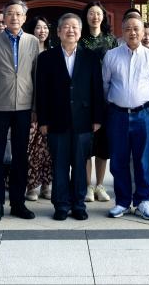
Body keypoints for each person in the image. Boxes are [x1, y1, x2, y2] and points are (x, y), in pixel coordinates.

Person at [35, 13, 106, 221]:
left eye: (75, 27)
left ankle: (78, 204)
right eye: (66, 27)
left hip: (84, 120)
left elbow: (97, 89)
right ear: (58, 32)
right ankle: (61, 205)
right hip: (56, 121)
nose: (71, 30)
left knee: (80, 164)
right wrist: (43, 121)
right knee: (59, 165)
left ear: (80, 32)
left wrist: (97, 118)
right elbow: (42, 92)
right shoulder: (46, 58)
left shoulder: (91, 57)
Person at [0, 0, 40, 222]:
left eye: (18, 14)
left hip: (24, 106)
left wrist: (35, 107)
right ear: (4, 18)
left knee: (20, 156)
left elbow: (36, 75)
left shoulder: (33, 42)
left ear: (24, 18)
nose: (14, 17)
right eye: (10, 14)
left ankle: (18, 203)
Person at [103, 16, 149, 220]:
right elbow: (105, 85)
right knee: (118, 160)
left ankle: (143, 201)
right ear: (122, 31)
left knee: (143, 160)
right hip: (117, 115)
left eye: (136, 28)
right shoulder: (111, 55)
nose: (133, 32)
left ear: (143, 31)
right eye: (128, 28)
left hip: (143, 115)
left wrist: (141, 104)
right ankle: (122, 202)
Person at [80, 1, 118, 203]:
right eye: (91, 13)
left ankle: (100, 185)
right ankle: (88, 185)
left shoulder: (111, 41)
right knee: (86, 144)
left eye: (98, 13)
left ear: (103, 17)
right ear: (86, 17)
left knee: (103, 145)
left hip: (105, 98)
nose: (95, 17)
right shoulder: (80, 39)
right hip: (85, 98)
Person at [26, 16, 53, 202]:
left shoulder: (53, 52)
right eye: (38, 27)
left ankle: (46, 185)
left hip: (50, 108)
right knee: (31, 149)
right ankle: (31, 186)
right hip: (30, 107)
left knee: (48, 149)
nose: (42, 31)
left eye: (45, 27)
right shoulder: (27, 52)